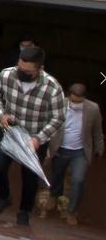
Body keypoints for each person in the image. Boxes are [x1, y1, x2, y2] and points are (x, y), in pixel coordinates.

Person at [0, 46, 65, 226]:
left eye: (27, 71)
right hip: (9, 131)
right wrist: (1, 113)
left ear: (40, 68)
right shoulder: (7, 75)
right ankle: (4, 197)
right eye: (20, 68)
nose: (21, 72)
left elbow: (58, 117)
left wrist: (39, 138)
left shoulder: (52, 88)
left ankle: (24, 211)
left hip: (34, 136)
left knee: (30, 178)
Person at [45, 83, 104, 225]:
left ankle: (71, 211)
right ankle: (54, 195)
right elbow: (48, 125)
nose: (76, 104)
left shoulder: (93, 108)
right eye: (73, 101)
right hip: (60, 147)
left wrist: (99, 149)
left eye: (79, 102)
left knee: (78, 180)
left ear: (84, 98)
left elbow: (97, 131)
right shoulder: (59, 104)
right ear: (68, 96)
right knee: (57, 175)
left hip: (80, 151)